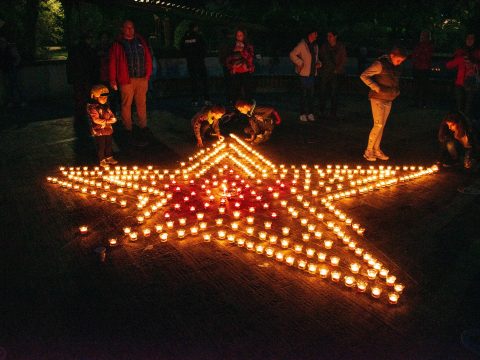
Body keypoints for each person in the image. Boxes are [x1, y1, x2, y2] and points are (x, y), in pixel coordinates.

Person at [109, 20, 153, 146]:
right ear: (122, 29)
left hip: (142, 78)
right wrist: (113, 79)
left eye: (132, 27)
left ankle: (143, 126)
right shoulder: (118, 44)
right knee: (126, 104)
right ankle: (128, 128)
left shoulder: (140, 41)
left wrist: (148, 74)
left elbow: (147, 57)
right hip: (126, 79)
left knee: (141, 103)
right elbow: (113, 62)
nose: (130, 30)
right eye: (127, 28)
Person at [360, 46, 407, 161]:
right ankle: (368, 151)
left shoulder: (395, 67)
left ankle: (376, 149)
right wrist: (375, 87)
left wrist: (396, 91)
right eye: (398, 60)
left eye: (401, 61)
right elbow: (364, 75)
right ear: (392, 56)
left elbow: (394, 81)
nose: (399, 63)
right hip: (377, 98)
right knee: (378, 124)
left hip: (389, 98)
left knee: (382, 125)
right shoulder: (380, 64)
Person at [66, 33, 98, 140]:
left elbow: (70, 64)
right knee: (86, 98)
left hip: (78, 79)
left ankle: (80, 118)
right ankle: (84, 118)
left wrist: (71, 78)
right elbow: (93, 65)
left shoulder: (75, 50)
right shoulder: (89, 50)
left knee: (79, 99)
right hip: (86, 78)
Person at [446, 33, 480, 125]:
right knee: (460, 106)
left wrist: (474, 62)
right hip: (460, 83)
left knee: (468, 107)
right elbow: (449, 65)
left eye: (472, 38)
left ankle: (467, 126)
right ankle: (460, 125)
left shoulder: (477, 53)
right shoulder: (460, 52)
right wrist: (459, 59)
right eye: (468, 38)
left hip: (471, 83)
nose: (469, 40)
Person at [290, 28, 321, 122]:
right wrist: (300, 63)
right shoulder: (302, 45)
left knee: (311, 95)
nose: (316, 35)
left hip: (311, 74)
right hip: (303, 74)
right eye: (315, 33)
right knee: (303, 95)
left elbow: (316, 59)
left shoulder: (315, 46)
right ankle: (302, 113)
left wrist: (319, 63)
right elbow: (292, 54)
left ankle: (310, 113)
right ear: (310, 34)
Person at [318, 30, 347, 120]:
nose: (328, 38)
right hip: (325, 72)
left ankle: (333, 112)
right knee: (323, 92)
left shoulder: (340, 47)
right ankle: (322, 110)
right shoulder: (324, 46)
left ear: (335, 36)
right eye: (328, 36)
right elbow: (320, 57)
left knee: (334, 93)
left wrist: (337, 70)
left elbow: (343, 59)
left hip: (335, 73)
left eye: (330, 36)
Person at [86, 84, 118, 167]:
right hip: (99, 130)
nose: (105, 99)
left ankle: (109, 157)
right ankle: (102, 160)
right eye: (102, 97)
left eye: (106, 97)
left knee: (109, 144)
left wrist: (113, 118)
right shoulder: (93, 108)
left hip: (108, 129)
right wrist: (108, 121)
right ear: (95, 97)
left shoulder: (106, 106)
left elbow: (111, 114)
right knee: (101, 146)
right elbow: (96, 120)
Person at [181, 22, 210, 106]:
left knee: (194, 81)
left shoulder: (185, 38)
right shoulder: (198, 36)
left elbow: (182, 48)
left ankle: (195, 100)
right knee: (204, 80)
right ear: (195, 28)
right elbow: (204, 47)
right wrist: (202, 56)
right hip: (200, 62)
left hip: (190, 62)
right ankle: (206, 99)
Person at [226, 29, 255, 102]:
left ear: (244, 36)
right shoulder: (232, 46)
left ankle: (248, 107)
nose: (239, 37)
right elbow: (228, 58)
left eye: (240, 35)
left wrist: (242, 51)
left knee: (247, 91)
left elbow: (250, 58)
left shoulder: (248, 46)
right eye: (237, 35)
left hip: (246, 71)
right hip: (236, 71)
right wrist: (232, 67)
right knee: (235, 91)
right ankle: (235, 107)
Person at [411, 30, 433, 108]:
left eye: (423, 36)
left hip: (424, 69)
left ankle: (423, 103)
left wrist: (418, 57)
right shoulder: (418, 45)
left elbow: (426, 56)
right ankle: (416, 102)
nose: (422, 37)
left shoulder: (428, 46)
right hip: (417, 67)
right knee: (416, 86)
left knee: (424, 87)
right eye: (421, 35)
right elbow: (415, 55)